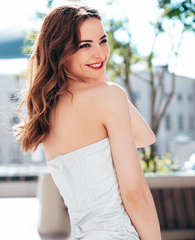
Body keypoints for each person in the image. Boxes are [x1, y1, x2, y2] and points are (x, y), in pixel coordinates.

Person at [13, 3, 161, 240]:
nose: (100, 53)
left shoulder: (47, 112)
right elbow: (135, 194)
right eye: (85, 45)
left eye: (103, 41)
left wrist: (99, 76)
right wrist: (106, 85)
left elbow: (145, 137)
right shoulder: (107, 97)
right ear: (60, 51)